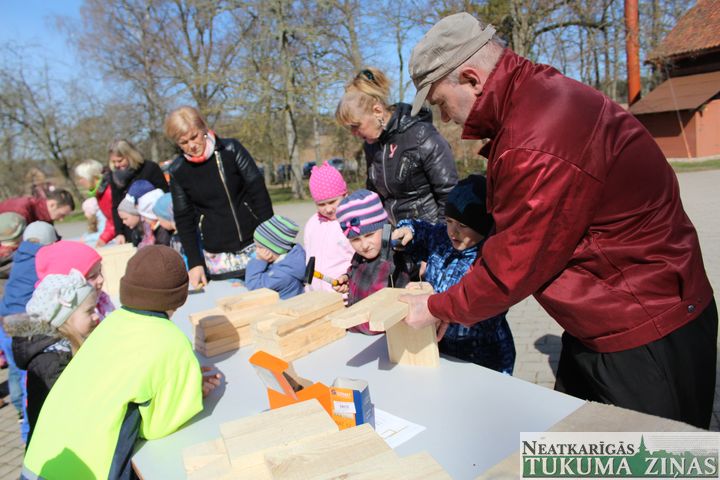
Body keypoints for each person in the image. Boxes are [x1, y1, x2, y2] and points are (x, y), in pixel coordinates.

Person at [401, 12, 717, 428]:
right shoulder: (538, 97)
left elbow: (513, 266)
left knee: (653, 456)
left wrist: (439, 307)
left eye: (441, 102)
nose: (444, 118)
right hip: (607, 315)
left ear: (472, 79)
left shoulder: (536, 138)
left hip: (644, 328)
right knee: (572, 446)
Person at [21, 246, 221, 480]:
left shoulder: (110, 323)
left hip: (39, 462)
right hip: (86, 473)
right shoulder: (171, 340)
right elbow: (157, 427)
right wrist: (189, 391)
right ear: (178, 299)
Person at [392, 175, 515, 374]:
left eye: (462, 225)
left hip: (483, 355)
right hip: (442, 347)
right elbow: (424, 230)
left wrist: (433, 297)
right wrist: (409, 230)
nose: (452, 231)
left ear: (483, 225)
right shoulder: (442, 238)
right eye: (449, 221)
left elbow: (483, 310)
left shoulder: (490, 257)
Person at [164, 106, 273, 288]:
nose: (192, 145)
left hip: (256, 244)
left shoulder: (231, 150)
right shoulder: (178, 170)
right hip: (218, 255)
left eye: (194, 137)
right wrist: (195, 263)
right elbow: (184, 219)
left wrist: (271, 237)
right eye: (184, 142)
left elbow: (258, 192)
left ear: (203, 128)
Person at [335, 67, 458, 225]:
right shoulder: (372, 145)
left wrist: (437, 236)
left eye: (355, 125)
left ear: (377, 111)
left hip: (427, 232)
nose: (353, 133)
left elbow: (449, 194)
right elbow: (375, 197)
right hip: (394, 235)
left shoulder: (421, 136)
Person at [4, 270, 99, 445]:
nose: (96, 316)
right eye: (90, 311)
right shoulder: (51, 363)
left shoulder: (65, 348)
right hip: (61, 448)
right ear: (65, 318)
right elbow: (68, 414)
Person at [0, 221, 57, 438]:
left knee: (17, 373)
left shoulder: (20, 255)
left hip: (6, 325)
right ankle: (29, 433)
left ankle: (21, 415)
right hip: (24, 326)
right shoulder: (43, 258)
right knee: (31, 382)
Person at [333, 190, 415, 334]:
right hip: (360, 330)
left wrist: (350, 324)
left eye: (370, 235)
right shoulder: (362, 255)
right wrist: (347, 278)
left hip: (386, 335)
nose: (364, 245)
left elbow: (377, 312)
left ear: (385, 228)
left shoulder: (391, 259)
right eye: (355, 240)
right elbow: (355, 269)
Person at [303, 162, 354, 293]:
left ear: (345, 195)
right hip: (315, 293)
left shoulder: (351, 222)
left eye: (332, 202)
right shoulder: (312, 223)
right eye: (321, 204)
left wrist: (350, 280)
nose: (328, 209)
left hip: (342, 292)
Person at [107, 139, 168, 245]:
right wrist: (119, 233)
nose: (117, 165)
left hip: (155, 224)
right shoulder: (115, 177)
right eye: (114, 162)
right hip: (130, 228)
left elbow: (164, 196)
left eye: (120, 161)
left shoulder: (150, 168)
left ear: (130, 156)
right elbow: (116, 205)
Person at [246, 215, 306, 300]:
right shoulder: (290, 258)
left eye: (259, 247)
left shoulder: (282, 275)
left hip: (284, 307)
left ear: (274, 248)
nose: (257, 251)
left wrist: (259, 260)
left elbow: (254, 286)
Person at [74, 159, 115, 246]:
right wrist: (104, 238)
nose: (80, 182)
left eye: (81, 178)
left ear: (92, 177)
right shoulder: (100, 193)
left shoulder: (108, 192)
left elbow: (114, 220)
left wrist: (104, 238)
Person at [0, 189, 75, 225]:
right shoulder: (22, 209)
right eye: (62, 215)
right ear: (52, 205)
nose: (61, 219)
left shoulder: (46, 219)